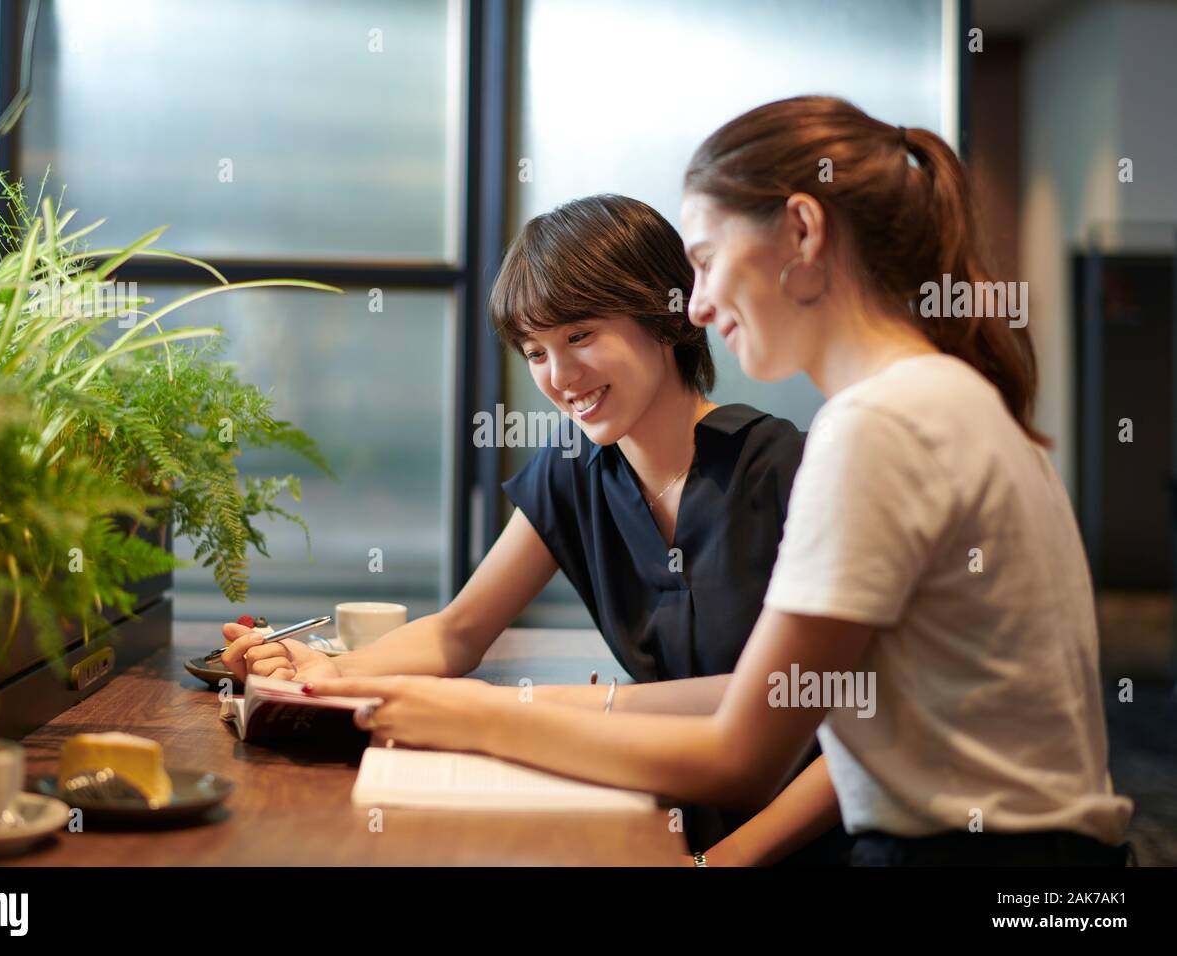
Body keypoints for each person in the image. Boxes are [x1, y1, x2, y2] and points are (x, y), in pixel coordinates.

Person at [305, 96, 1135, 867]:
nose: (695, 304)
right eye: (535, 352)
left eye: (703, 261)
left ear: (803, 233)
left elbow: (743, 752)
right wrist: (330, 675)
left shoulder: (873, 428)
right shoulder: (937, 401)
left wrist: (482, 716)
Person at [222, 194, 836, 861]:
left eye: (580, 336)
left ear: (665, 315)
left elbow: (838, 722)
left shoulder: (787, 470)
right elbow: (458, 632)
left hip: (805, 843)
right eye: (535, 351)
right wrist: (327, 675)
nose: (560, 377)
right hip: (669, 812)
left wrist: (720, 863)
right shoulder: (573, 469)